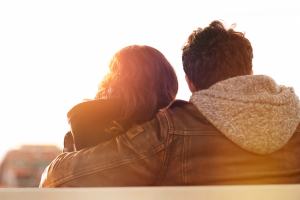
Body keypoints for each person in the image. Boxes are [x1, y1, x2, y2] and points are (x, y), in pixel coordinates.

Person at [40, 21, 300, 187]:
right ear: (248, 71)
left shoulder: (171, 132)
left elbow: (62, 178)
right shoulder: (295, 121)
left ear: (190, 82)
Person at [65, 45, 178, 151]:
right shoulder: (175, 126)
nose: (107, 82)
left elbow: (79, 114)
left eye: (114, 74)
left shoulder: (91, 123)